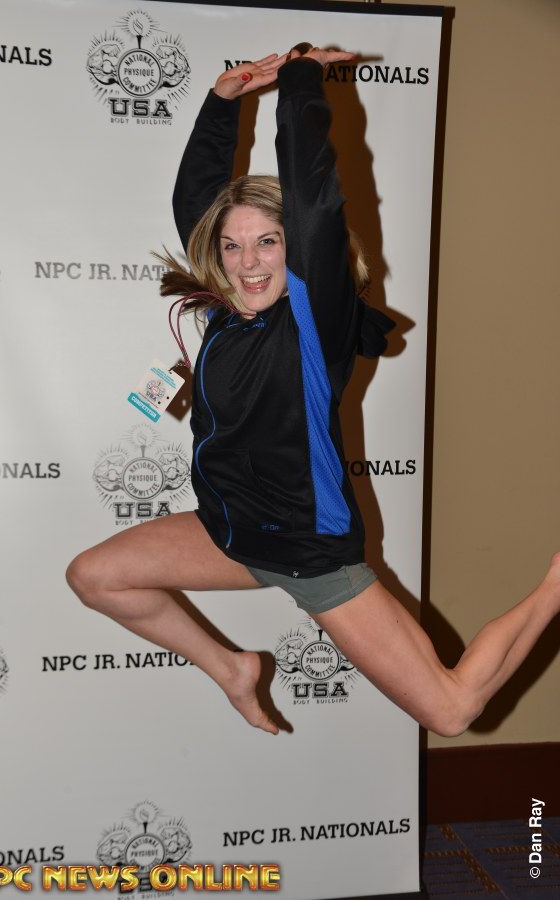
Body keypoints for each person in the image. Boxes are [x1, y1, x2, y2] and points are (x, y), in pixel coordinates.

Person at [66, 46, 560, 738]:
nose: (247, 262)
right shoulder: (226, 307)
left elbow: (313, 200)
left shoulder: (312, 319)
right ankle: (233, 670)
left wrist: (301, 81)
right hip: (230, 531)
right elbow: (196, 204)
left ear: (295, 249)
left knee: (451, 710)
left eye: (268, 242)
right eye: (233, 247)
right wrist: (221, 102)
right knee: (96, 576)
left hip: (306, 549)